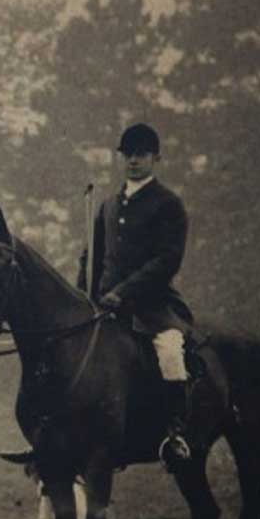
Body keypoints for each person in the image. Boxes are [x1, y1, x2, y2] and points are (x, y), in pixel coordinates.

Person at [79, 122, 193, 468]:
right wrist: (85, 293)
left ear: (155, 158)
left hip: (152, 306)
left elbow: (166, 261)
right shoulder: (108, 205)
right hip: (105, 306)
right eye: (127, 154)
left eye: (141, 154)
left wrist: (124, 292)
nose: (133, 161)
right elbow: (92, 256)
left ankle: (174, 436)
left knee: (170, 352)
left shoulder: (168, 204)